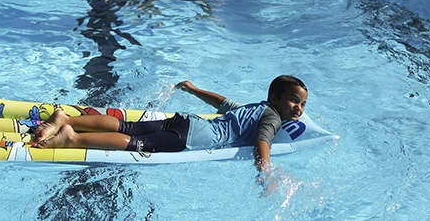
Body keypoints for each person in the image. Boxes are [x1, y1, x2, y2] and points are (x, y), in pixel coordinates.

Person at [31, 75, 308, 176]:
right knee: (136, 145)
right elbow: (263, 140)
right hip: (195, 138)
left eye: (302, 105)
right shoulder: (272, 116)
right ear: (275, 98)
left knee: (127, 127)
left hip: (188, 120)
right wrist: (266, 171)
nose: (298, 108)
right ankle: (73, 139)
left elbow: (224, 104)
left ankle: (65, 119)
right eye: (294, 101)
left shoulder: (257, 107)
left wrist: (194, 89)